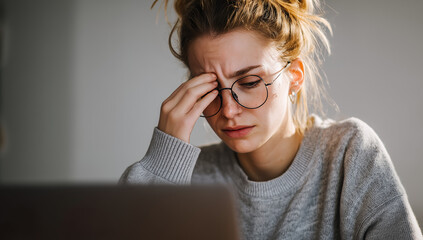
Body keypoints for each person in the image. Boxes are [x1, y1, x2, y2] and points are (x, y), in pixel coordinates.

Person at [120, 0, 423, 239]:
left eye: (250, 83)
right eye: (211, 88)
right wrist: (163, 159)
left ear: (294, 77)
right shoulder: (187, 178)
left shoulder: (349, 154)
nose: (228, 110)